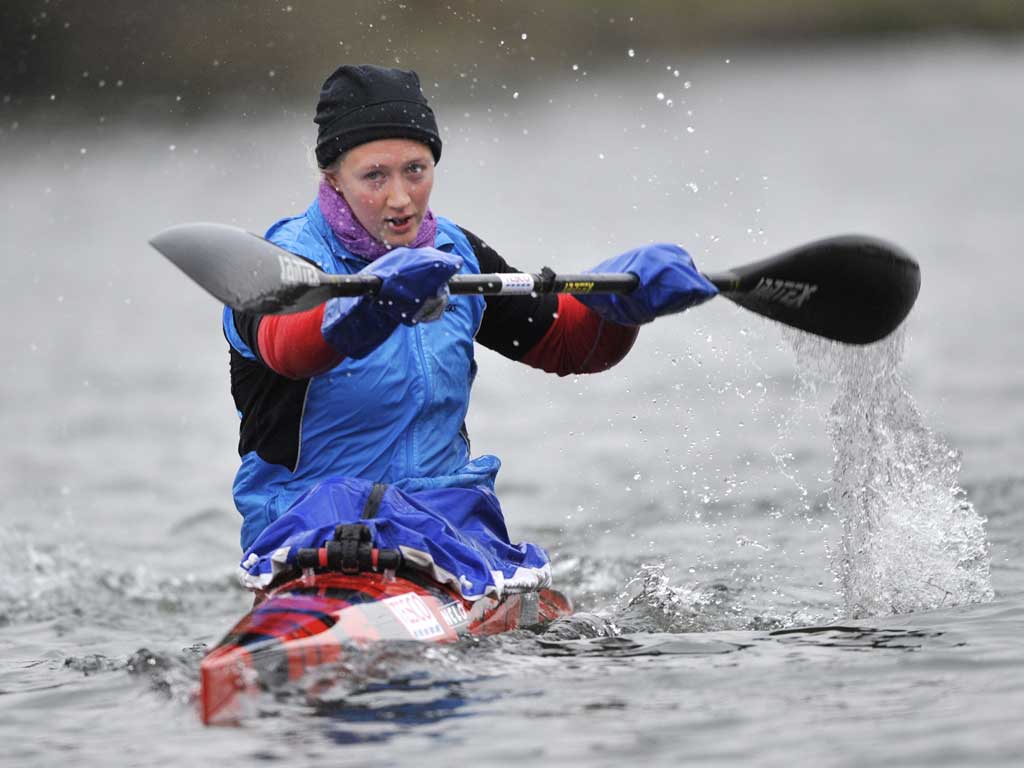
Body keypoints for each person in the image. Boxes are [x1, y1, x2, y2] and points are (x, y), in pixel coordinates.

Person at [224, 64, 718, 599]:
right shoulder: (279, 263)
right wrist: (369, 308)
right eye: (375, 176)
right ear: (333, 177)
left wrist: (620, 308)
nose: (400, 198)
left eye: (415, 169)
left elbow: (569, 344)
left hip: (445, 522)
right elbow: (285, 349)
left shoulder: (456, 254)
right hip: (309, 531)